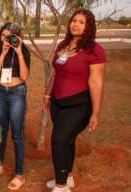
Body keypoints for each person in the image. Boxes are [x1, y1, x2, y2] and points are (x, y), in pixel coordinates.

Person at [42, 9, 107, 192]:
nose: (75, 24)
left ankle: (61, 187)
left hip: (78, 104)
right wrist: (48, 95)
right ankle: (67, 177)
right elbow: (57, 72)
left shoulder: (95, 51)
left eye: (81, 22)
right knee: (67, 141)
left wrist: (95, 113)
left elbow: (96, 83)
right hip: (57, 101)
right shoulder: (64, 44)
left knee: (59, 141)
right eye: (73, 20)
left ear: (89, 27)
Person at [0, 23, 31, 190]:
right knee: (0, 131)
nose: (6, 39)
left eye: (10, 36)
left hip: (17, 93)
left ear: (17, 36)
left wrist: (19, 53)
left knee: (17, 134)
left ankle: (19, 173)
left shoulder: (24, 51)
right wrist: (3, 53)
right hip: (0, 92)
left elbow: (24, 76)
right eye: (3, 36)